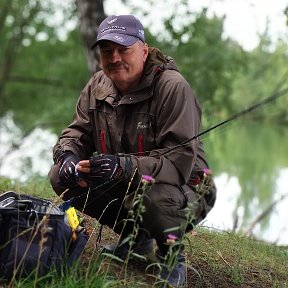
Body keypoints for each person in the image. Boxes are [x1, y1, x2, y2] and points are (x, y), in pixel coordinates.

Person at [48, 14, 216, 287]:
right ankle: (136, 240)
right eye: (106, 50)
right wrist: (67, 155)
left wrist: (122, 165)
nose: (114, 57)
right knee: (60, 177)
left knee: (155, 197)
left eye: (123, 49)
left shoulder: (172, 87)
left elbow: (178, 161)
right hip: (127, 179)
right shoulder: (97, 85)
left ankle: (172, 255)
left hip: (185, 185)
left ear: (144, 50)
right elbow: (77, 132)